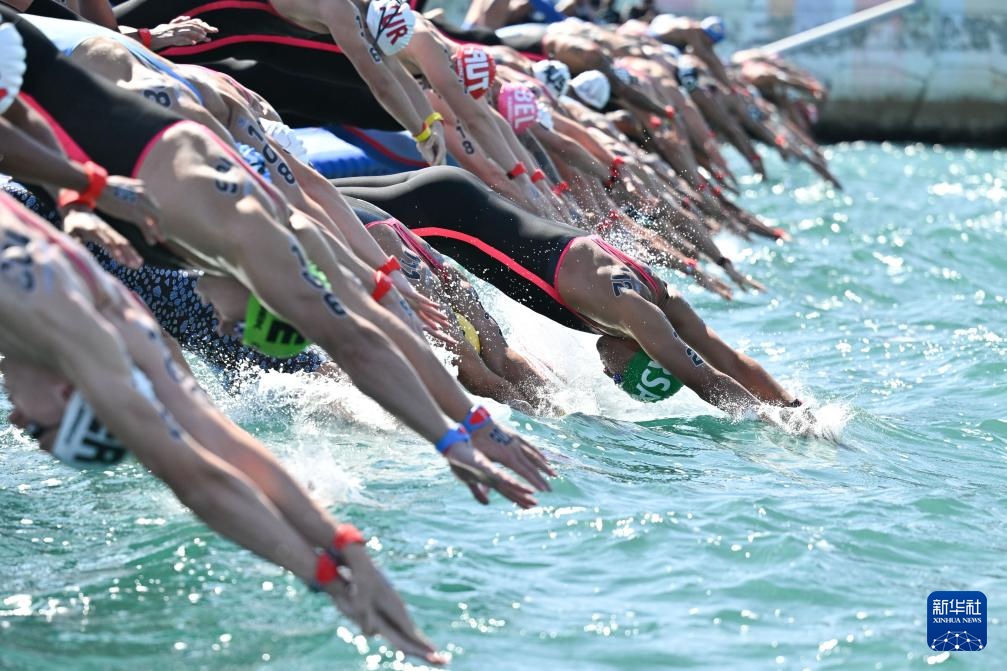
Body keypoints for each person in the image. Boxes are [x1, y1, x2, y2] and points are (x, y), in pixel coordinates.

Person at [2, 7, 553, 506]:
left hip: (118, 95)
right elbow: (334, 266)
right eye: (242, 323)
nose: (227, 326)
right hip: (82, 87)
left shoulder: (262, 217)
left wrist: (461, 432)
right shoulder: (230, 214)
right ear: (258, 289)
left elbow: (357, 322)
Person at [0, 190, 445, 664]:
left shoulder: (112, 320)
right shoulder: (95, 317)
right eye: (38, 429)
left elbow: (204, 458)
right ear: (68, 391)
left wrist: (338, 564)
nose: (15, 418)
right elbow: (196, 478)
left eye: (35, 430)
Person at [333, 167, 801, 414]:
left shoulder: (660, 298)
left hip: (452, 198)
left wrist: (790, 407)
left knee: (305, 181)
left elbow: (729, 359)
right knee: (298, 196)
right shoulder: (633, 311)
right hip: (439, 216)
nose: (608, 372)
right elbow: (707, 380)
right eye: (620, 375)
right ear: (643, 351)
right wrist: (766, 422)